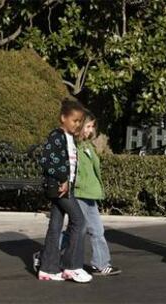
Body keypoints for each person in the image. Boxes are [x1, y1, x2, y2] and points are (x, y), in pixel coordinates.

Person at [34, 111, 121, 276]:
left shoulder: (88, 145)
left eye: (92, 126)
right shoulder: (73, 146)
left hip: (91, 194)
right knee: (90, 229)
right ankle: (100, 264)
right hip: (80, 192)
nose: (90, 130)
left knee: (77, 230)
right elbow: (71, 169)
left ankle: (45, 256)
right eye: (87, 126)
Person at [38, 99, 92, 283]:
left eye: (80, 121)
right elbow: (46, 161)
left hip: (64, 188)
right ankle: (72, 266)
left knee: (55, 226)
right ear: (63, 118)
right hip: (60, 188)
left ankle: (48, 269)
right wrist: (63, 179)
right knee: (79, 221)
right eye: (74, 120)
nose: (77, 125)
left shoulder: (70, 139)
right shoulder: (56, 135)